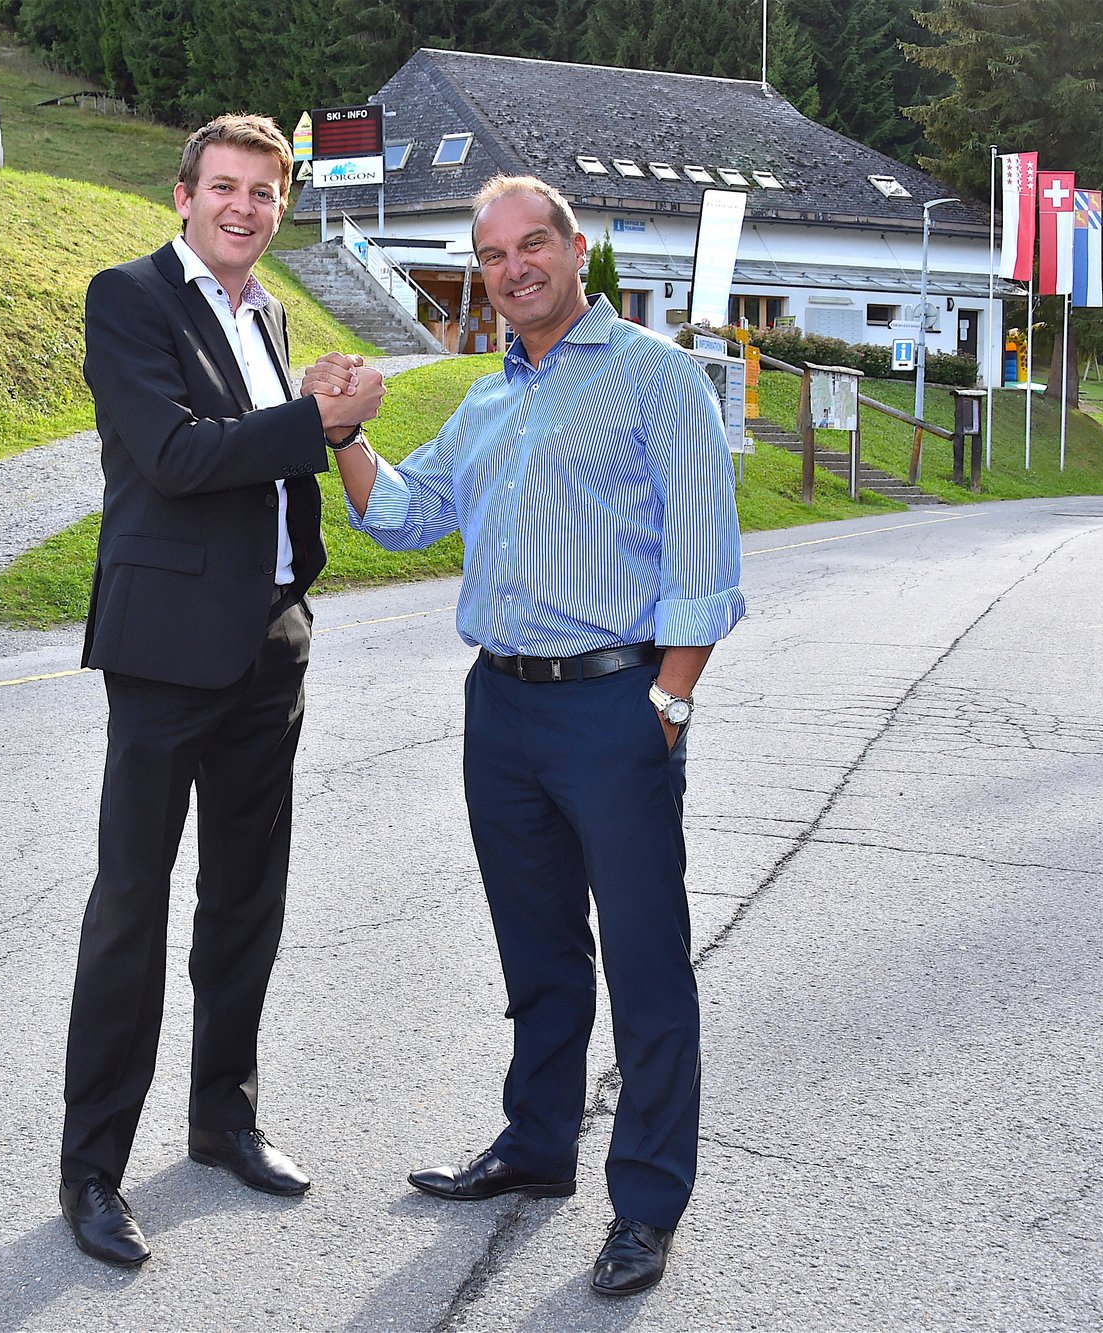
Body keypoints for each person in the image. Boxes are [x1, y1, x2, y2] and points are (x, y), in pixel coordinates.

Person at [302, 173, 744, 1298]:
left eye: (531, 244)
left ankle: (645, 1201)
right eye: (493, 255)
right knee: (538, 952)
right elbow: (403, 513)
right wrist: (345, 434)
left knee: (645, 965)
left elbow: (704, 563)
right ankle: (536, 1145)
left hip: (614, 706)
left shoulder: (655, 378)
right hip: (498, 711)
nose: (513, 269)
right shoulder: (490, 400)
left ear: (574, 247)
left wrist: (670, 701)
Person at [59, 114, 384, 1268]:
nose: (243, 207)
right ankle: (92, 1170)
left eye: (264, 192)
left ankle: (222, 1120)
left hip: (270, 644)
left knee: (245, 897)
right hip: (163, 654)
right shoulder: (129, 297)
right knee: (132, 911)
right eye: (224, 188)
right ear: (183, 195)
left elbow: (269, 472)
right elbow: (179, 456)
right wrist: (320, 420)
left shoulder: (272, 314)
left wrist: (299, 573)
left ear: (282, 206)